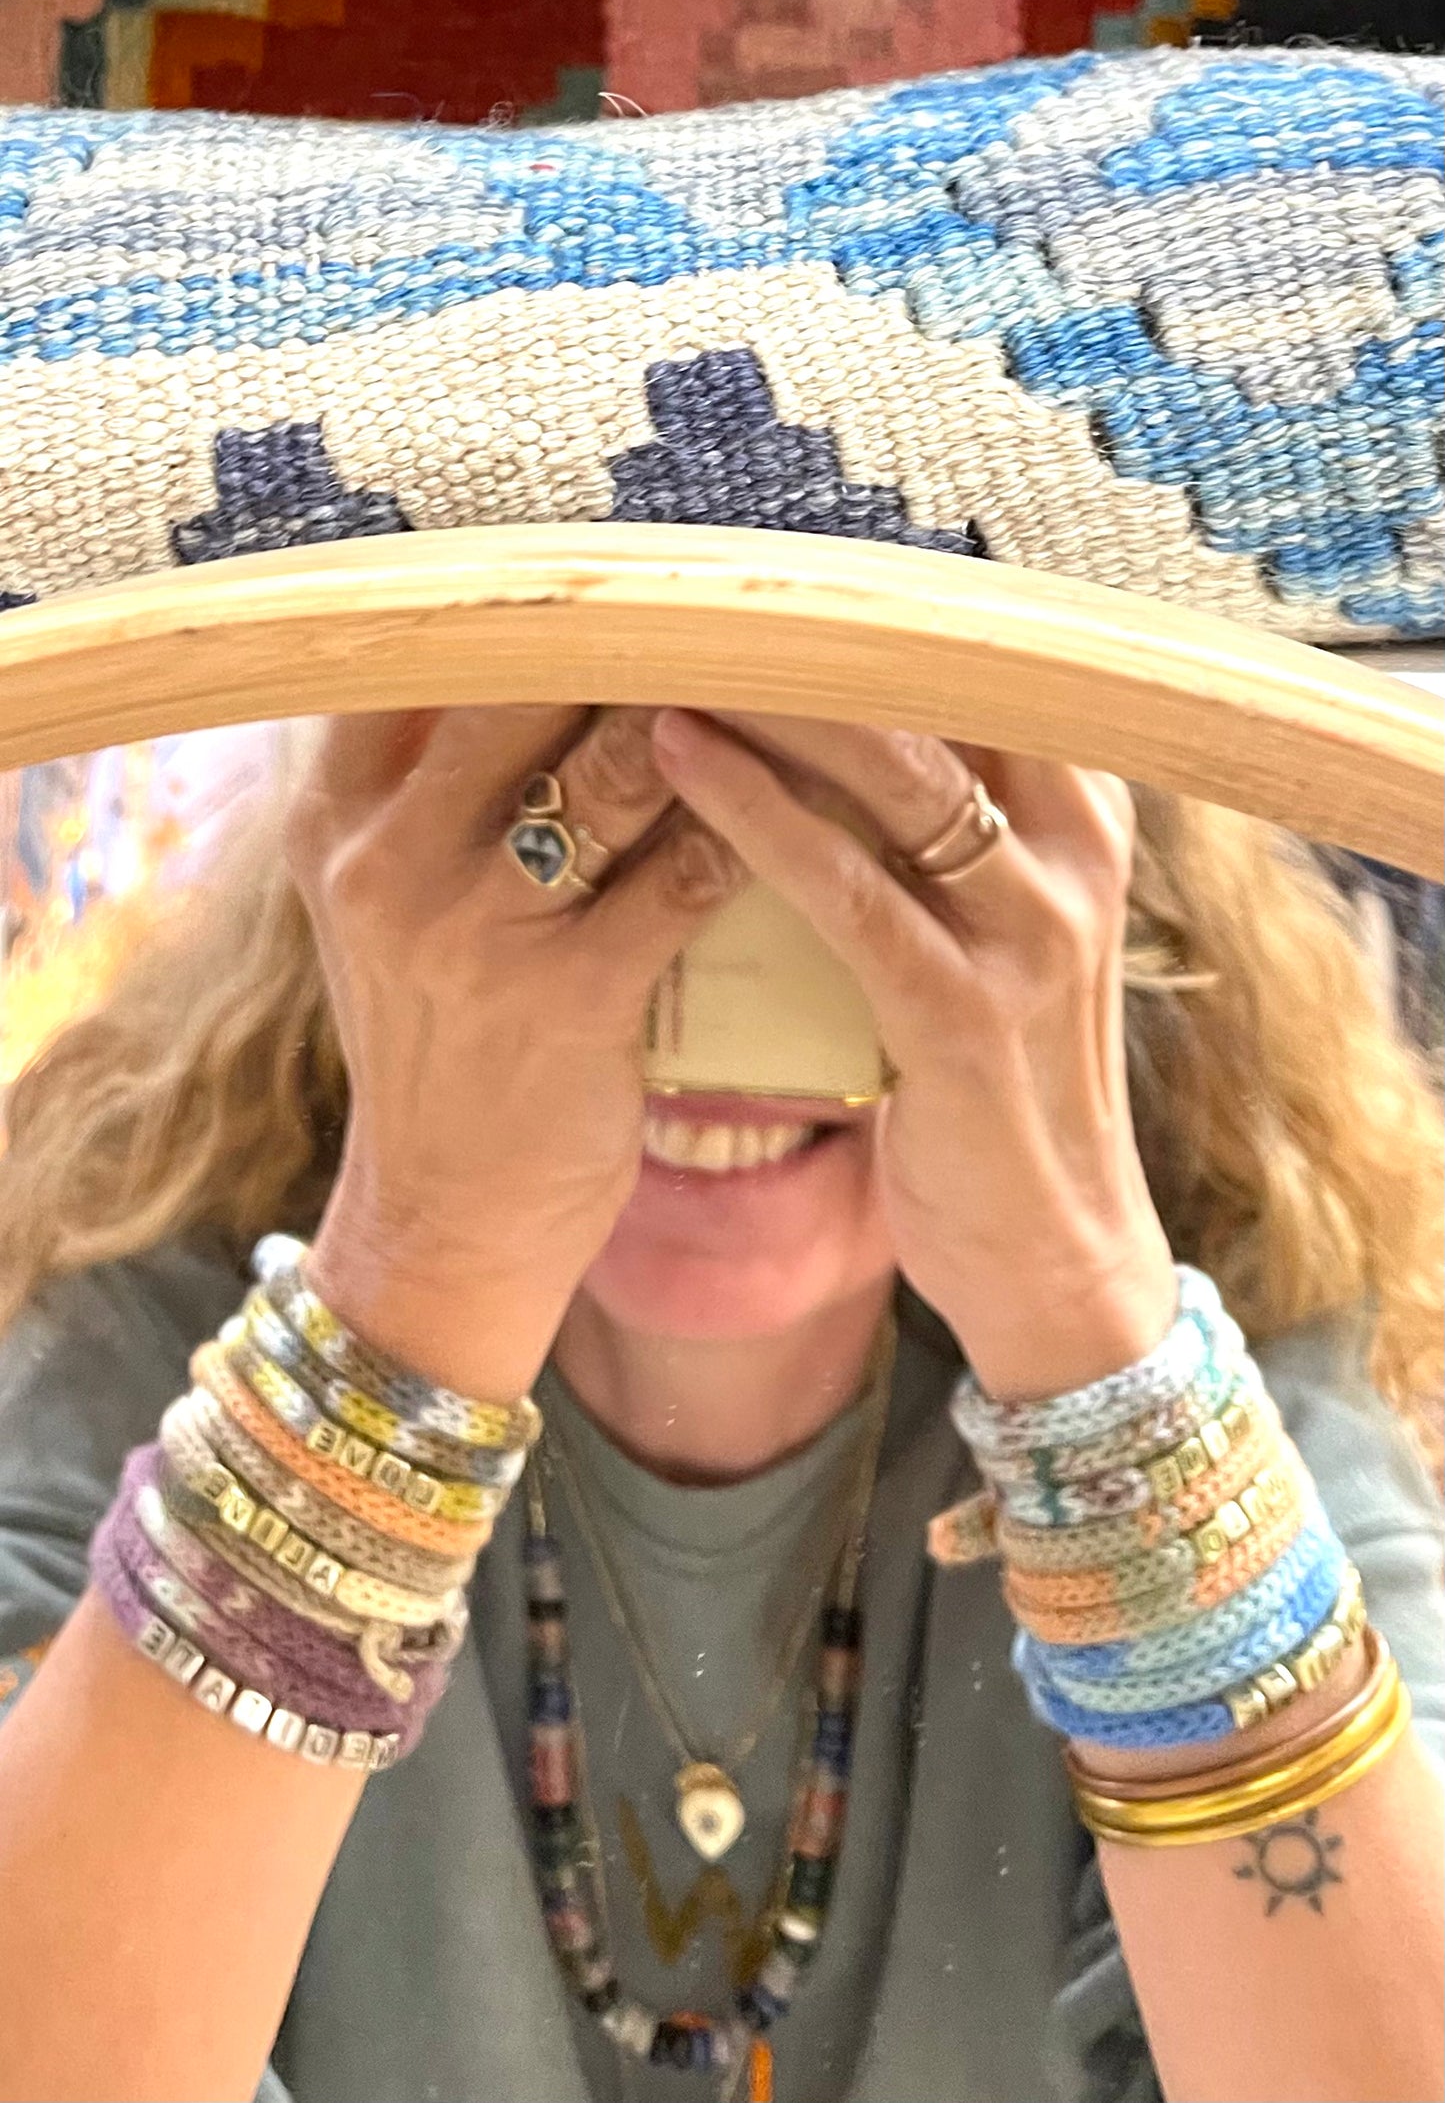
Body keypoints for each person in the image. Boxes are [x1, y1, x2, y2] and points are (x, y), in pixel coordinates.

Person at [0, 701, 1441, 2103]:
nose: (701, 940)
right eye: (591, 809)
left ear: (1082, 901)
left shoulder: (1253, 1379)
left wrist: (1085, 1332)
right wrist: (416, 1277)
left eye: (846, 826)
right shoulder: (153, 1356)